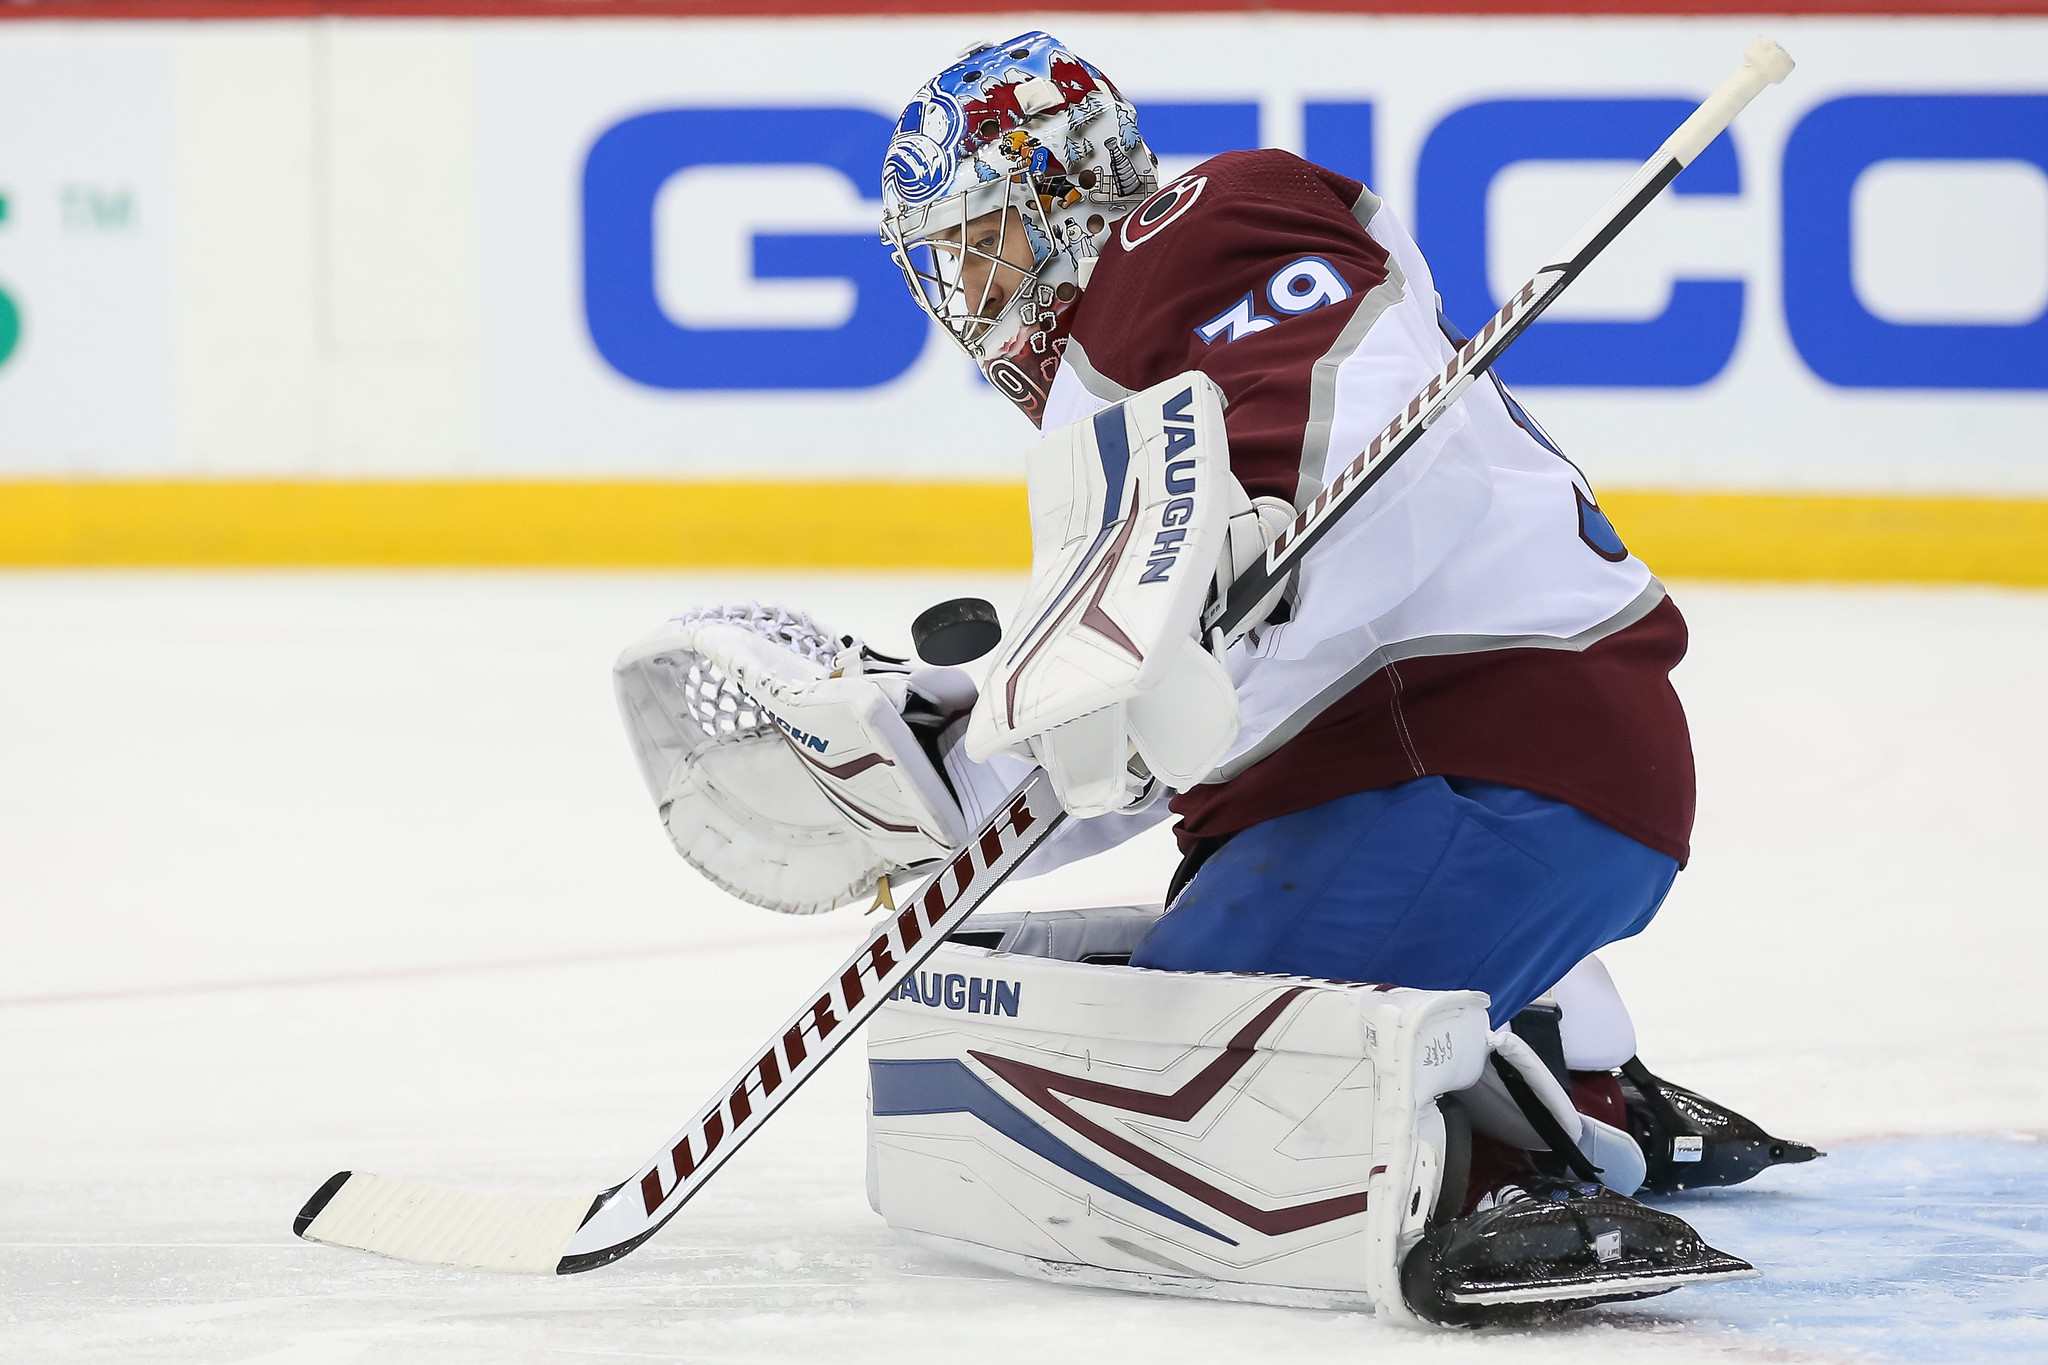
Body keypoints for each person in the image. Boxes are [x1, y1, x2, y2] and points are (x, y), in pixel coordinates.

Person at [613, 29, 1813, 1325]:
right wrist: (957, 763)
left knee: (1178, 1068)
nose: (967, 295)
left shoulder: (1192, 229)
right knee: (1088, 1015)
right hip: (1446, 770)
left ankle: (1512, 1145)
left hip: (1472, 755)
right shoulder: (1115, 399)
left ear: (1060, 190)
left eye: (979, 244)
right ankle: (1566, 1050)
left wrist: (1260, 542)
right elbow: (1156, 725)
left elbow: (1357, 424)